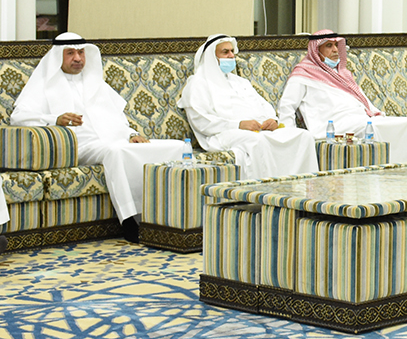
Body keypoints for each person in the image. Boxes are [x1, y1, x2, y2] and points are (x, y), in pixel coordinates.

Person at [10, 33, 186, 242]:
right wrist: (55, 119)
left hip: (115, 139)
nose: (78, 58)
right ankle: (131, 221)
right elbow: (19, 117)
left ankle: (177, 216)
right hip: (80, 145)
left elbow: (117, 117)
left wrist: (132, 134)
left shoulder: (95, 82)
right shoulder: (44, 84)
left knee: (176, 147)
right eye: (70, 53)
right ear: (58, 57)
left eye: (81, 52)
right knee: (115, 152)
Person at [178, 34, 319, 180]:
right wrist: (239, 125)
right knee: (256, 141)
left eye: (232, 51)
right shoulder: (198, 84)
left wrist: (272, 120)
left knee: (304, 136)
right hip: (223, 134)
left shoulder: (240, 82)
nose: (231, 55)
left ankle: (302, 188)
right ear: (212, 57)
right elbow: (201, 121)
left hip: (258, 130)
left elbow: (264, 105)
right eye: (225, 52)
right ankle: (267, 189)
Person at [277, 30, 407, 163]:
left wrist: (375, 113)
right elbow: (286, 106)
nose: (335, 50)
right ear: (316, 51)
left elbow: (363, 100)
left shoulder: (342, 74)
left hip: (360, 119)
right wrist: (291, 136)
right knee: (373, 130)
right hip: (334, 126)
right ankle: (384, 178)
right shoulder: (302, 75)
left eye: (336, 45)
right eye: (329, 46)